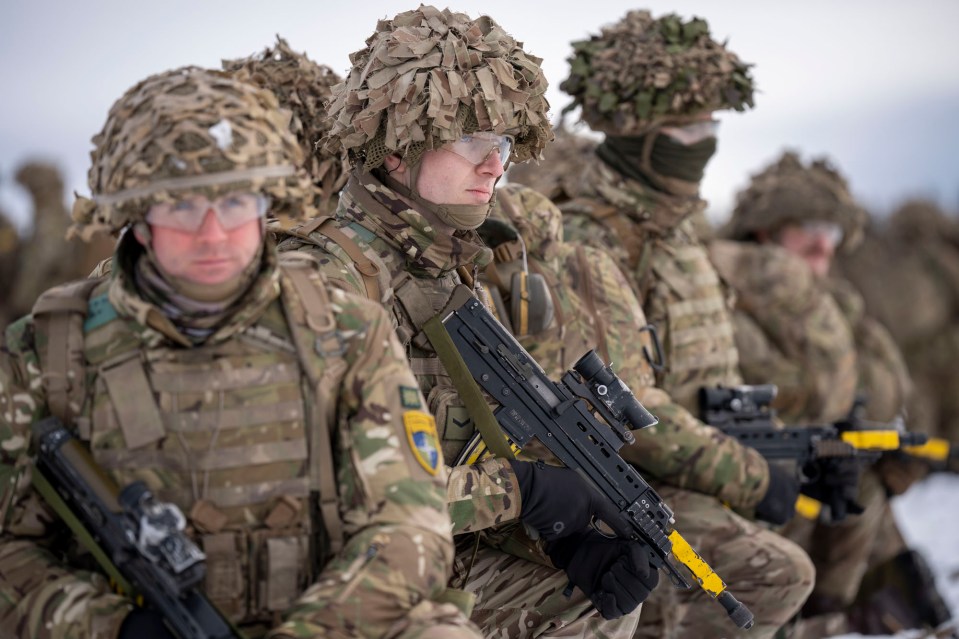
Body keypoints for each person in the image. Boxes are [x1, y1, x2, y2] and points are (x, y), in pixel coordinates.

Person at [0, 66, 482, 639]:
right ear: (138, 217)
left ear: (266, 206)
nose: (212, 235)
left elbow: (410, 526)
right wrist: (108, 627)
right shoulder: (47, 351)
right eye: (181, 207)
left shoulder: (345, 331)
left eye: (234, 204)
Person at [275, 8, 658, 637]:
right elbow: (335, 500)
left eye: (503, 146)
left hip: (429, 550)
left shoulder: (445, 267)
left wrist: (557, 542)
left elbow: (465, 450)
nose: (495, 166)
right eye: (474, 142)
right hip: (338, 575)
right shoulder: (331, 281)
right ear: (397, 149)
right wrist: (520, 491)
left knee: (590, 604)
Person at [511, 10, 815, 639]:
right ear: (634, 133)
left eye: (711, 124)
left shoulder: (676, 234)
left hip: (694, 462)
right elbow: (619, 406)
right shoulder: (598, 238)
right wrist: (746, 473)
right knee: (773, 573)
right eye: (685, 127)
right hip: (636, 483)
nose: (705, 140)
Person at [718, 150, 952, 635]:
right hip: (754, 485)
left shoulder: (835, 303)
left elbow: (882, 382)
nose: (824, 246)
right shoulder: (728, 295)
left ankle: (841, 613)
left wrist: (879, 440)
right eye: (809, 230)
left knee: (868, 502)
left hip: (831, 484)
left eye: (833, 233)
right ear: (767, 229)